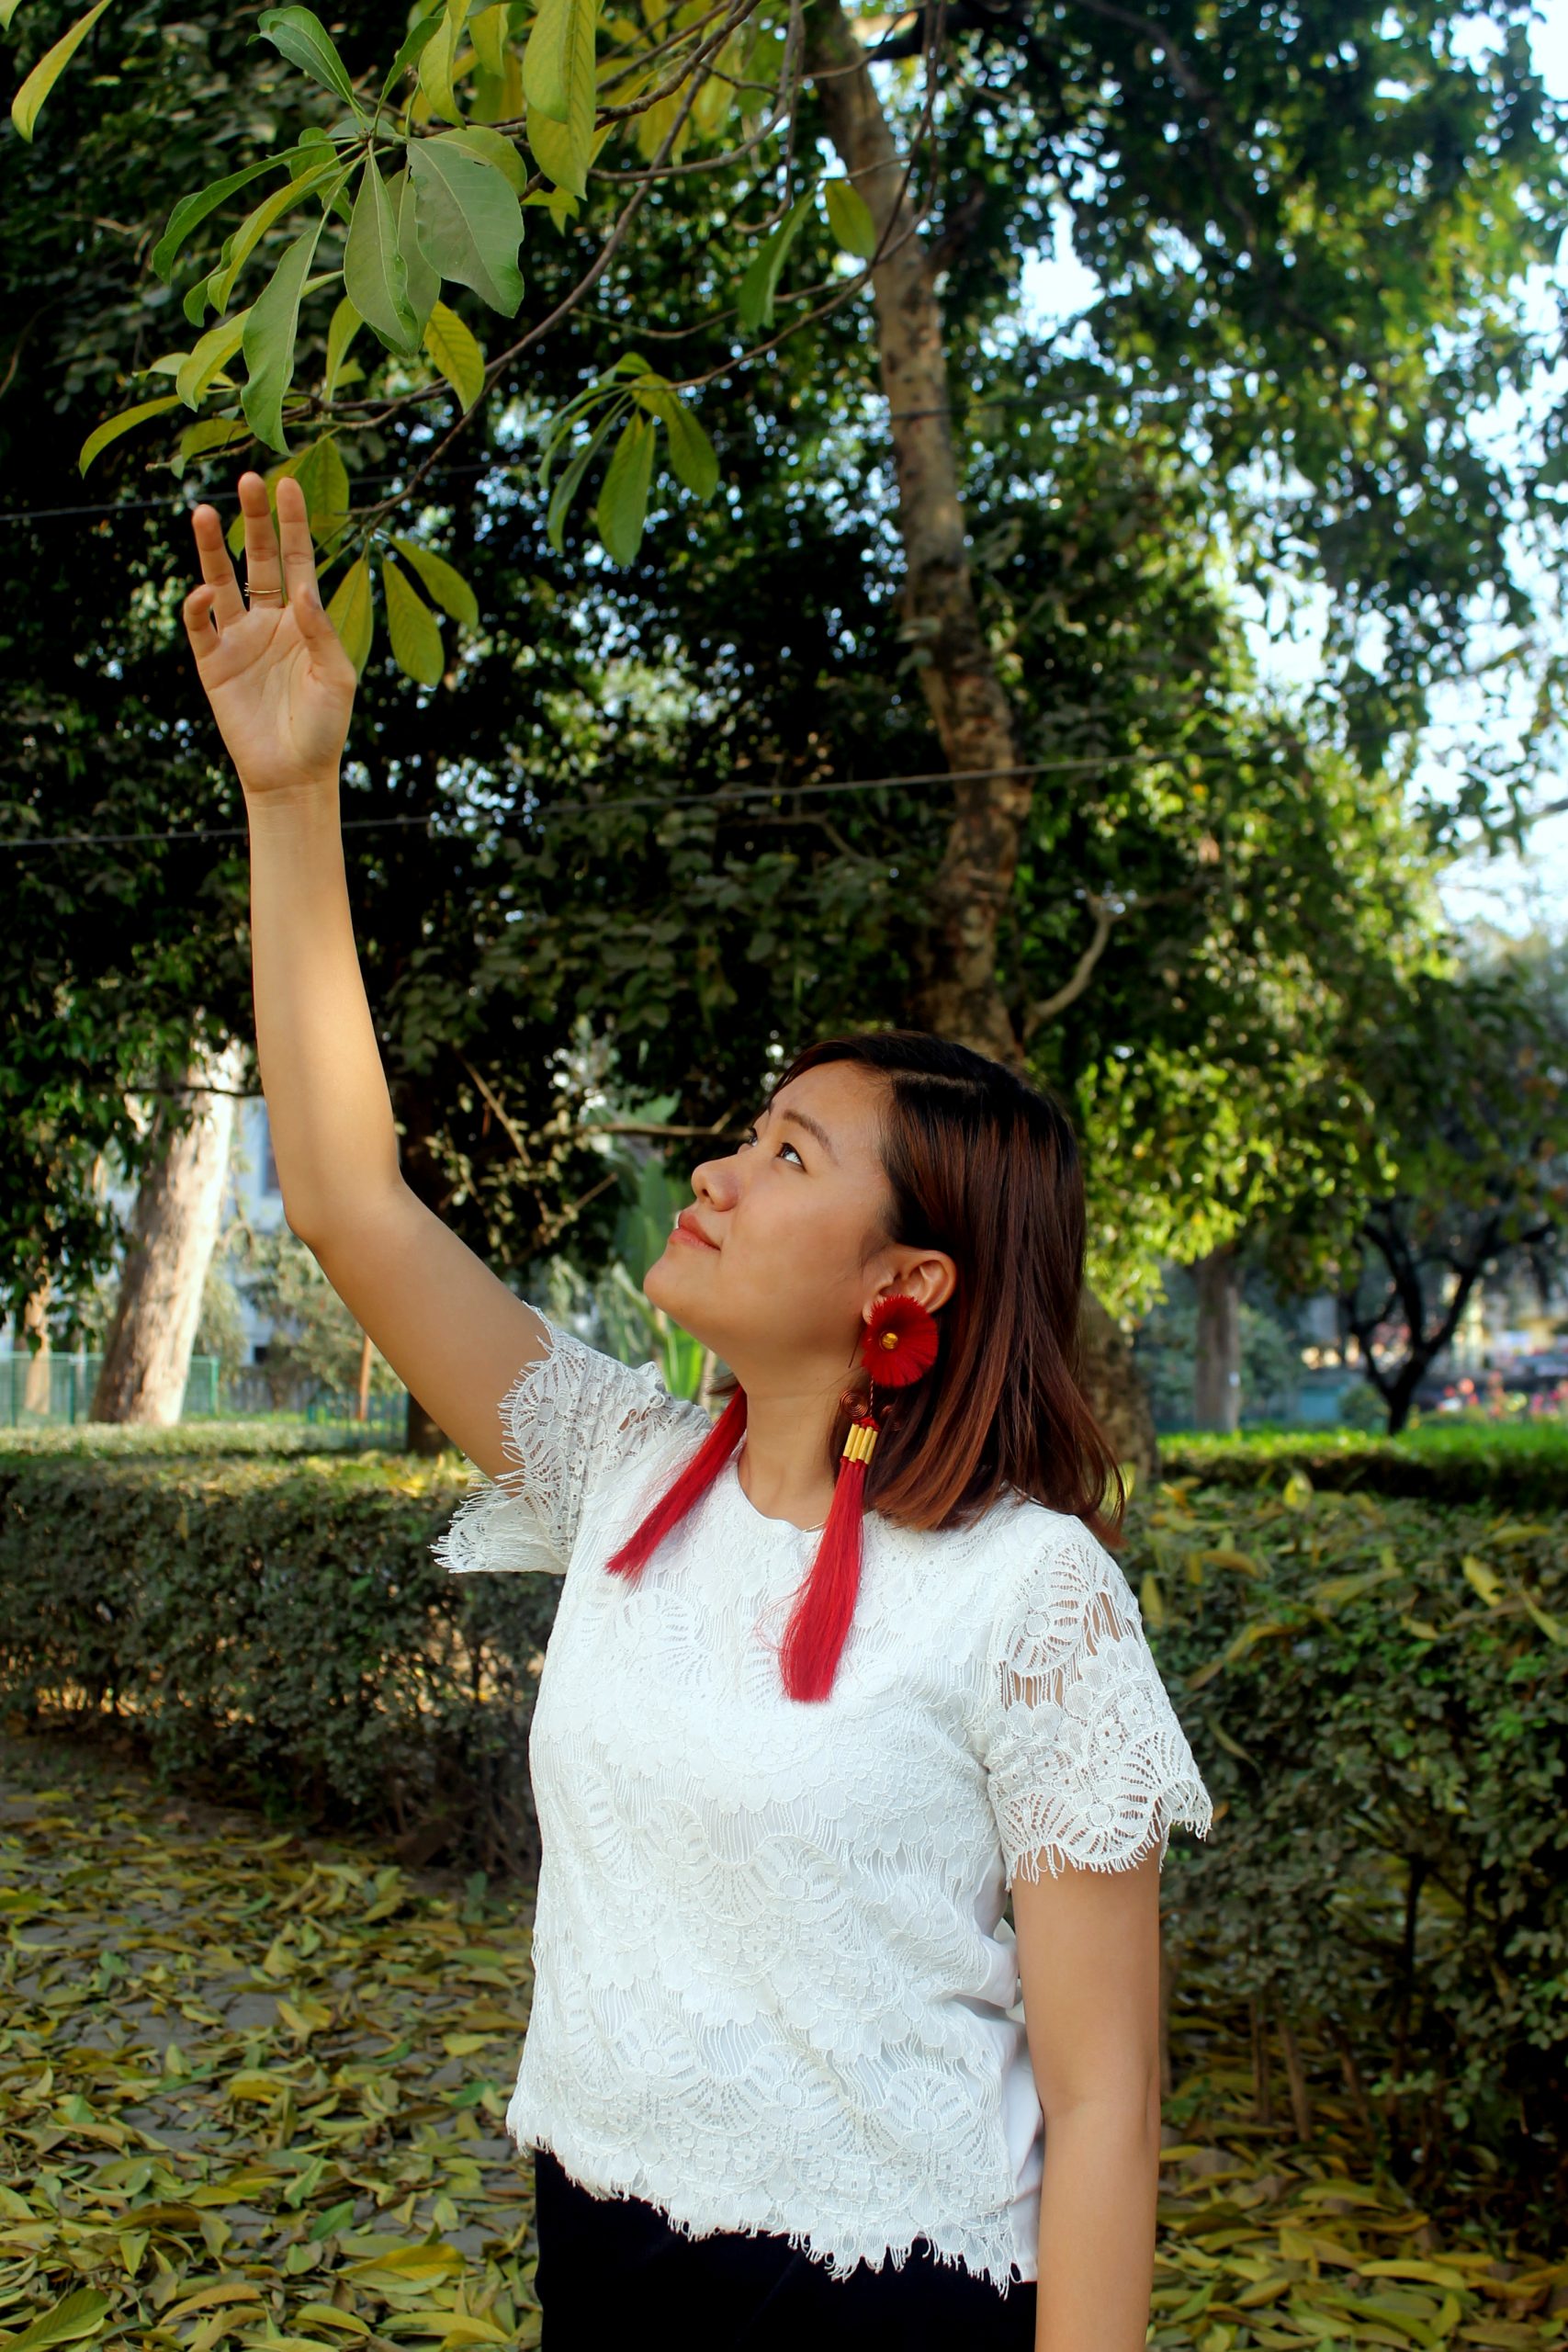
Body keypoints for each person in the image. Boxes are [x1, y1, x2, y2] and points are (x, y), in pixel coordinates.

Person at [183, 474, 1214, 2352]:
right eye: (747, 1131)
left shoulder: (1027, 1595)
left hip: (891, 2300)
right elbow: (344, 1196)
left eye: (789, 1150)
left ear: (905, 1284)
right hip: (604, 2250)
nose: (721, 1172)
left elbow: (1102, 2106)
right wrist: (290, 793)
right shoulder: (627, 1467)